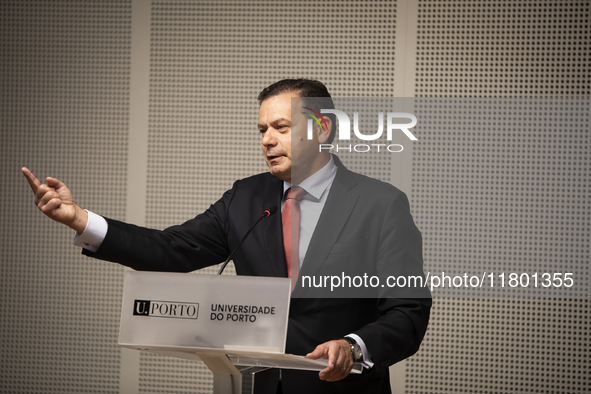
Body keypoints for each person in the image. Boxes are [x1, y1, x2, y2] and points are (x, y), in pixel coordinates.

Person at [23, 79, 430, 394]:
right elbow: (172, 249)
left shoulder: (381, 204)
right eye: (262, 129)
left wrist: (354, 345)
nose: (267, 140)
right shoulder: (246, 197)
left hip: (343, 389)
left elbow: (408, 311)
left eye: (281, 127)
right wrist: (80, 220)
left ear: (322, 129)